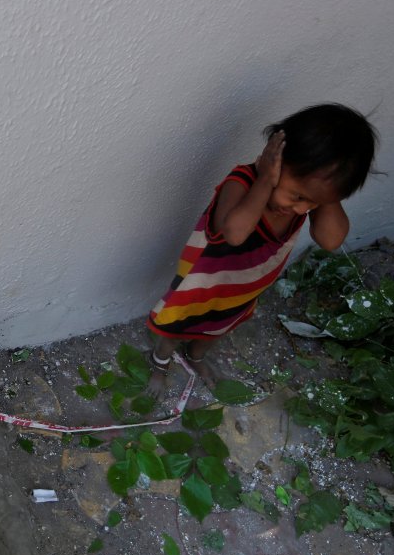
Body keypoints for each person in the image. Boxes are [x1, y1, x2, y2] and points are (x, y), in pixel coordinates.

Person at [146, 103, 378, 397]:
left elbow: (331, 240)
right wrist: (266, 181)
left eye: (314, 203)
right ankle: (160, 363)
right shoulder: (242, 183)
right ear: (275, 162)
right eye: (298, 196)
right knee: (177, 327)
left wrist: (328, 195)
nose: (303, 208)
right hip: (202, 282)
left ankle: (196, 356)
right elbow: (235, 233)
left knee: (216, 329)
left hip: (241, 291)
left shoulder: (307, 197)